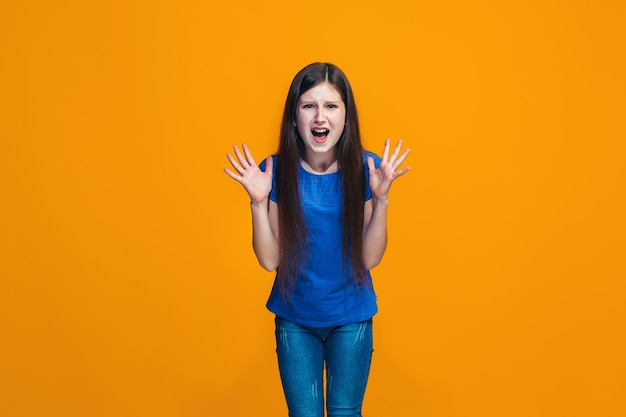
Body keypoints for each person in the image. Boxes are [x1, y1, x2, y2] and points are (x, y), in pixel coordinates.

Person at [224, 62, 410, 417]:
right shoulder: (275, 171)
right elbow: (269, 261)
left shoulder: (366, 168)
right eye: (309, 105)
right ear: (295, 115)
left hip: (351, 317)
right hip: (295, 319)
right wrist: (258, 203)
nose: (319, 117)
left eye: (330, 106)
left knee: (345, 413)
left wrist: (382, 200)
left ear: (345, 116)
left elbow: (370, 259)